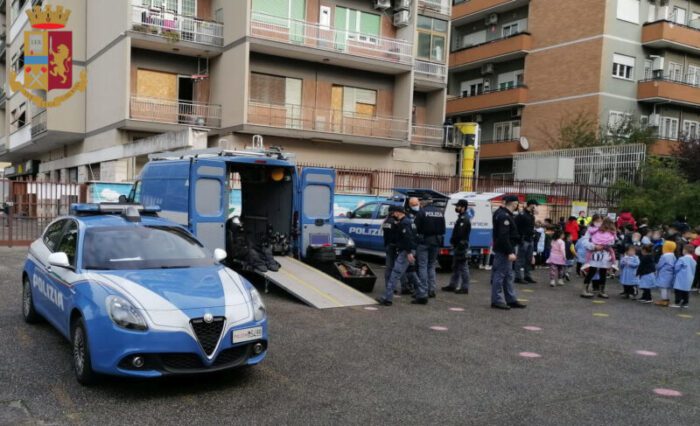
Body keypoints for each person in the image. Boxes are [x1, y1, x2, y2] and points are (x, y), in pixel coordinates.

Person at [376, 206, 425, 306]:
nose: (393, 215)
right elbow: (416, 237)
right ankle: (422, 295)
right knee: (411, 273)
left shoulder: (404, 223)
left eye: (394, 213)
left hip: (406, 251)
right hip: (411, 250)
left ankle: (387, 298)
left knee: (395, 273)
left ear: (398, 213)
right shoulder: (410, 221)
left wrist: (409, 252)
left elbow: (407, 238)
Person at [490, 195, 526, 310]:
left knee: (508, 276)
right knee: (500, 275)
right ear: (514, 204)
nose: (517, 206)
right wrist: (510, 251)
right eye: (516, 204)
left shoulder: (502, 214)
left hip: (504, 248)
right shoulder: (504, 216)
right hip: (504, 250)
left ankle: (510, 299)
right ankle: (497, 300)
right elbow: (503, 236)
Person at [415, 194, 446, 298]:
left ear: (424, 202)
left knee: (422, 265)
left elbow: (416, 228)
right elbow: (443, 229)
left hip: (424, 241)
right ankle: (431, 289)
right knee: (432, 265)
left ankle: (423, 290)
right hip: (436, 241)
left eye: (421, 201)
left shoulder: (422, 212)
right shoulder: (440, 212)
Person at [443, 199, 472, 294]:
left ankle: (465, 287)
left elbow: (460, 234)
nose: (456, 208)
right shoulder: (461, 217)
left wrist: (456, 243)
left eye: (458, 206)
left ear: (463, 207)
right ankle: (453, 285)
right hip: (458, 245)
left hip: (461, 245)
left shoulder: (464, 219)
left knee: (463, 267)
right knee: (455, 266)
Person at [514, 199, 538, 284]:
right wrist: (519, 238)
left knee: (528, 259)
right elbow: (515, 226)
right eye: (535, 205)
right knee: (520, 259)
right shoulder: (522, 215)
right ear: (531, 205)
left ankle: (527, 276)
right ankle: (517, 277)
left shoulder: (531, 215)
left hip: (530, 239)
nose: (536, 207)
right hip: (523, 240)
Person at [381, 205, 401, 289]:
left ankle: (388, 286)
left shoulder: (385, 221)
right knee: (395, 268)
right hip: (394, 246)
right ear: (394, 212)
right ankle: (393, 286)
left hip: (388, 245)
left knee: (388, 267)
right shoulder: (395, 222)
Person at [654, 240, 677, 307]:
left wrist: (656, 267)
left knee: (663, 287)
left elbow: (660, 265)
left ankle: (663, 300)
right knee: (668, 287)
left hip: (664, 273)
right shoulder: (673, 256)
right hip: (671, 273)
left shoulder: (664, 256)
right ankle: (667, 300)